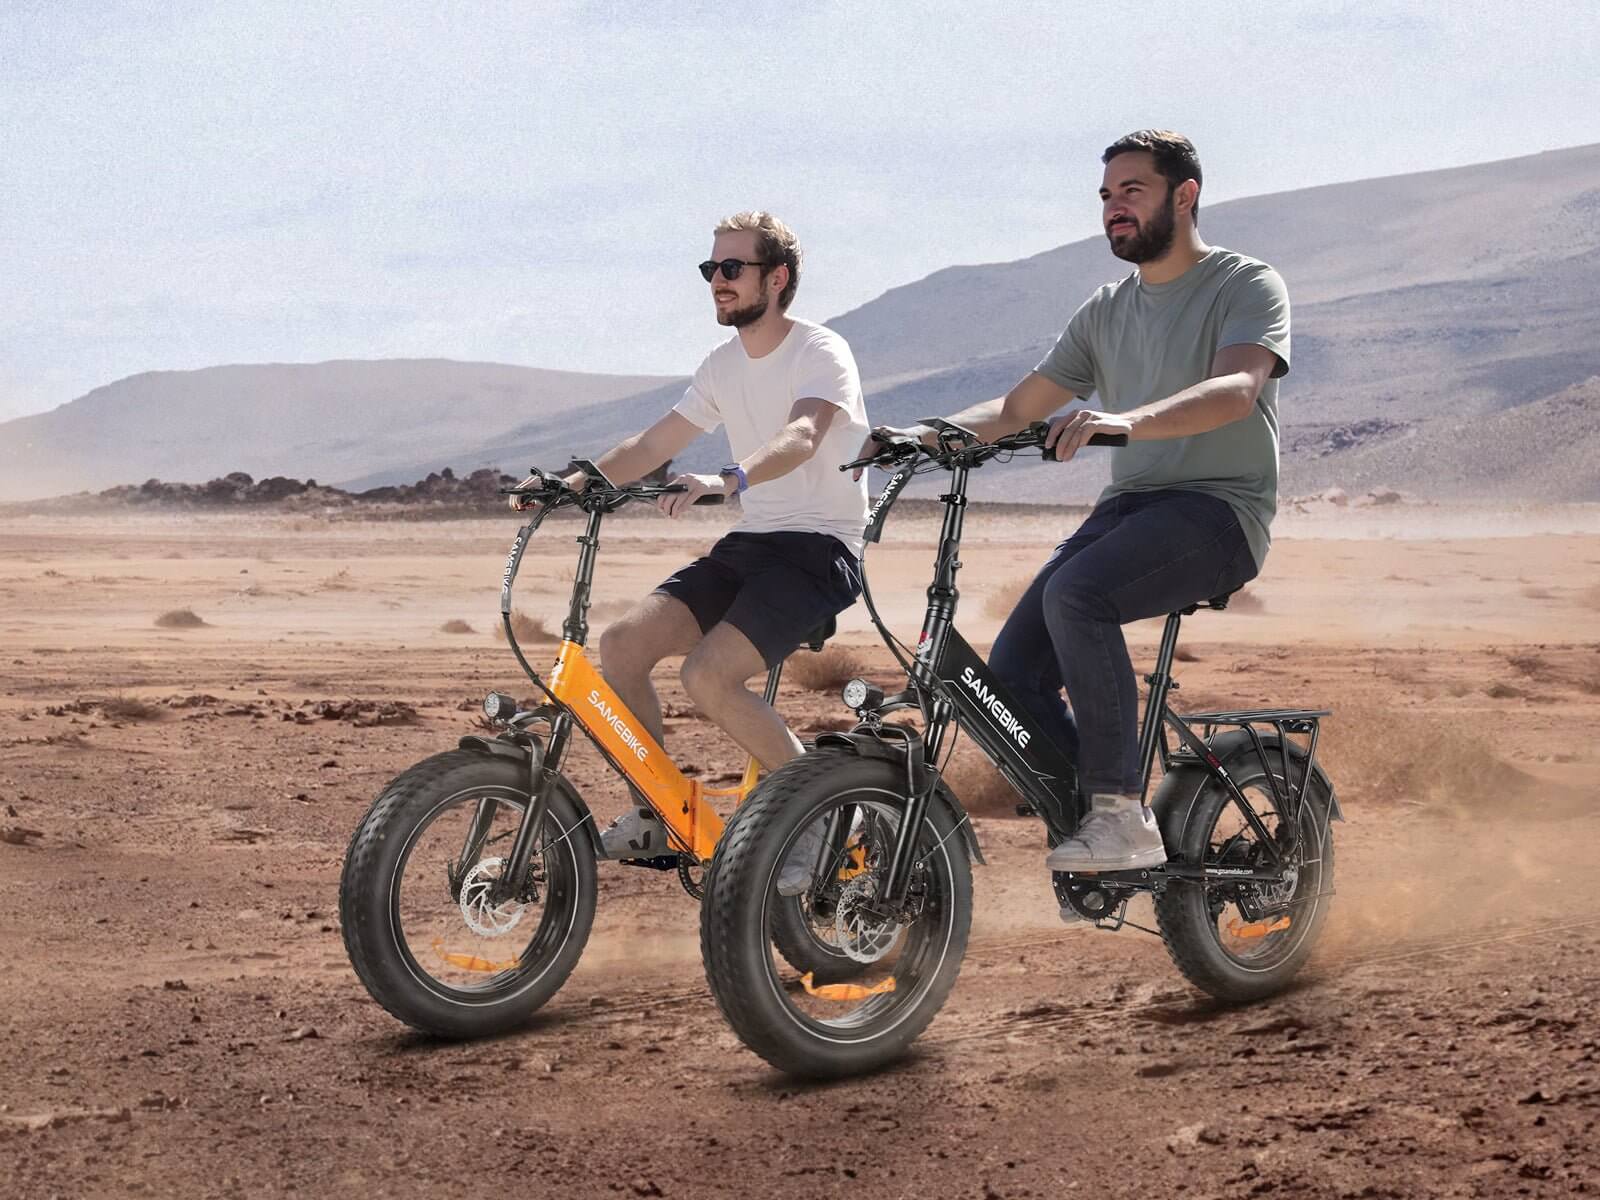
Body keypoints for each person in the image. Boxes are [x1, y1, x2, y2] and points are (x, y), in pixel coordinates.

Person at [861, 129, 1290, 893]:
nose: (1113, 209)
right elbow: (1019, 406)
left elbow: (1236, 390)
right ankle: (1087, 822)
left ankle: (1119, 810)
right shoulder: (1106, 311)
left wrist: (1121, 421)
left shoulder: (1245, 284)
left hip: (1219, 511)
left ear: (1183, 195)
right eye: (1105, 197)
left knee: (1077, 594)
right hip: (1128, 507)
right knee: (1012, 676)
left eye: (1132, 191)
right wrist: (919, 436)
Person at [512, 211, 869, 878]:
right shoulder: (720, 365)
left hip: (820, 549)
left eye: (732, 268)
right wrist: (569, 485)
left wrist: (727, 477)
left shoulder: (819, 351)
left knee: (706, 675)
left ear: (778, 277)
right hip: (752, 544)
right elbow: (651, 445)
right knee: (620, 645)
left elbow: (802, 437)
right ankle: (658, 812)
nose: (717, 281)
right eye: (711, 270)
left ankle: (819, 823)